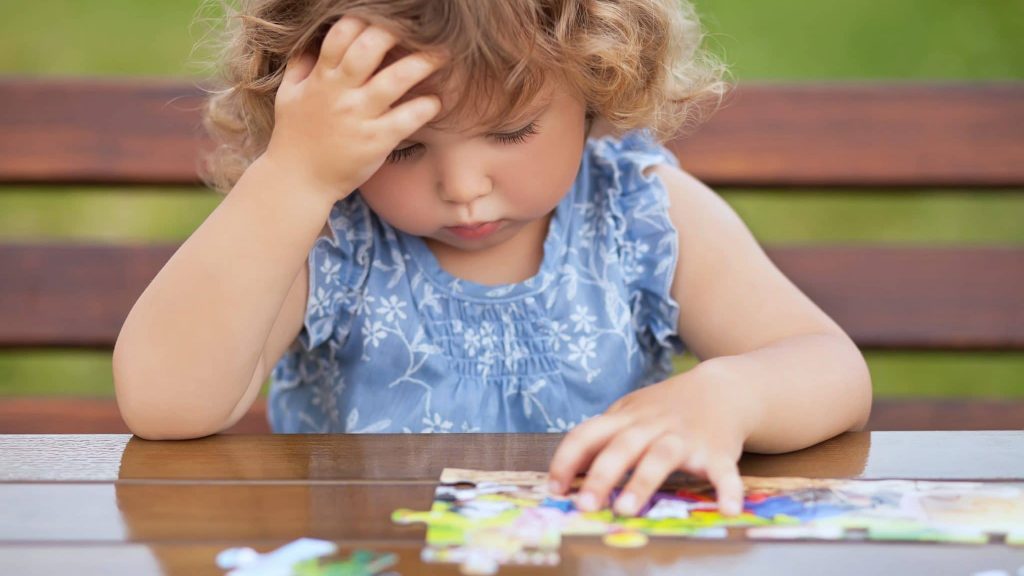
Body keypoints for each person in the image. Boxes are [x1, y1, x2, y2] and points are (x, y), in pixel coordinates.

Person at [113, 0, 872, 519]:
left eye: (510, 133)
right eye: (402, 147)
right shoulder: (326, 230)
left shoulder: (640, 213)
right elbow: (164, 402)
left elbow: (830, 367)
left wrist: (731, 397)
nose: (465, 189)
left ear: (597, 76)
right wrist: (293, 177)